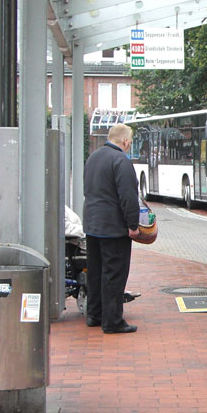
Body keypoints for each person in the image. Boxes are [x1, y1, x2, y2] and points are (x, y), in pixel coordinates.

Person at [83, 123, 140, 334]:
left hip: (92, 226)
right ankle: (113, 321)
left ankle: (94, 315)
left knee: (96, 273)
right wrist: (132, 225)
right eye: (130, 142)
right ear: (125, 141)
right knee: (114, 274)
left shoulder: (93, 158)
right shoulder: (121, 161)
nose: (130, 146)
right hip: (113, 229)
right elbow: (128, 197)